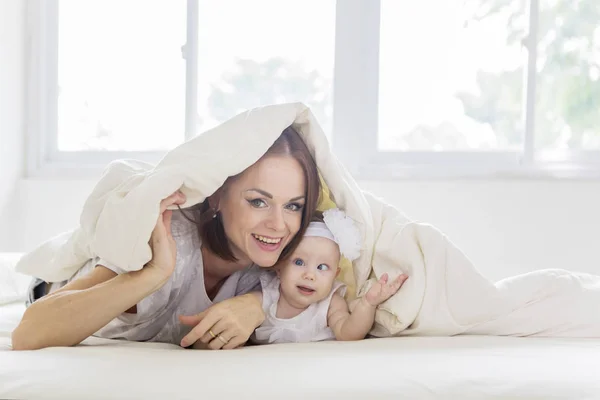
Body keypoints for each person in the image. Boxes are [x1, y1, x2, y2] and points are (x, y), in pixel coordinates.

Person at [11, 125, 321, 351]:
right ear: (216, 198)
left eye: (293, 205)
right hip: (52, 288)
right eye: (258, 201)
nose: (279, 225)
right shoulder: (167, 238)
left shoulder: (285, 258)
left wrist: (257, 304)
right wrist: (153, 275)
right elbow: (28, 333)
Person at [251, 208, 409, 344]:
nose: (310, 275)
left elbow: (348, 333)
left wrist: (368, 304)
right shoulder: (267, 295)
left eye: (322, 267)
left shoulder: (330, 304)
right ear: (280, 267)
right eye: (299, 262)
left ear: (335, 275)